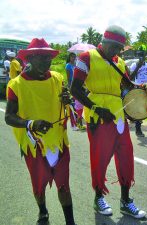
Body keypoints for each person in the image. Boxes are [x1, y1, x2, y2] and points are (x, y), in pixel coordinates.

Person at [71, 25, 147, 219]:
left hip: (118, 117)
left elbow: (128, 87)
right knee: (100, 159)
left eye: (118, 48)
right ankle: (98, 198)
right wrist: (96, 108)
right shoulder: (86, 58)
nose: (115, 51)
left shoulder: (119, 62)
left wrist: (144, 88)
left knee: (126, 158)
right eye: (112, 46)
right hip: (98, 117)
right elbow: (75, 89)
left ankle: (125, 201)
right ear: (103, 42)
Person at [5, 38, 76, 225]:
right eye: (42, 58)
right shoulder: (16, 84)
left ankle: (71, 221)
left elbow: (66, 99)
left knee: (64, 187)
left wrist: (67, 99)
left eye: (49, 58)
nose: (47, 61)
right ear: (30, 58)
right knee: (39, 186)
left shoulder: (57, 78)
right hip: (34, 143)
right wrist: (31, 124)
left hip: (59, 141)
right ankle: (43, 212)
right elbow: (9, 117)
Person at [129, 46, 147, 137]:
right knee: (139, 109)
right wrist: (138, 67)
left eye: (142, 55)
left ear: (145, 55)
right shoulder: (134, 65)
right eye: (139, 55)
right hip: (138, 88)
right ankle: (138, 129)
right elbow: (131, 78)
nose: (141, 57)